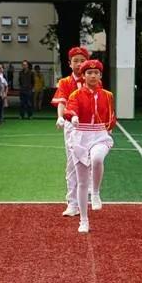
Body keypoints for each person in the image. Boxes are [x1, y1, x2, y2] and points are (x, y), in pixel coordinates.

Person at [63, 60, 116, 234]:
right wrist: (73, 117)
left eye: (96, 73)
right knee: (81, 181)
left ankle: (96, 192)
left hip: (99, 134)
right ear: (84, 76)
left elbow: (110, 116)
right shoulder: (76, 95)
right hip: (80, 135)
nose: (92, 76)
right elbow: (70, 110)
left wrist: (108, 128)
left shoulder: (107, 95)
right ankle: (83, 220)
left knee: (97, 158)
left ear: (100, 75)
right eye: (89, 73)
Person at [53, 47, 88, 217]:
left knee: (88, 163)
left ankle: (85, 197)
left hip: (89, 127)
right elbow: (62, 102)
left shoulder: (93, 79)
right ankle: (72, 202)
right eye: (76, 60)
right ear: (69, 63)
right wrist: (60, 117)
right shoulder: (65, 82)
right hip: (72, 126)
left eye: (82, 60)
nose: (79, 63)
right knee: (72, 164)